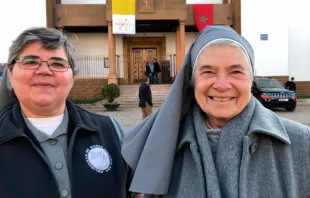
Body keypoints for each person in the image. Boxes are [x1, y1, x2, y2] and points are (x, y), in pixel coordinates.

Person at [121, 26, 310, 197]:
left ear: (251, 79)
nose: (221, 85)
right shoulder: (159, 149)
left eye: (236, 72)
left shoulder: (302, 143)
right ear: (192, 81)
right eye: (208, 72)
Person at [0, 27, 133, 198]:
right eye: (31, 61)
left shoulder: (112, 131)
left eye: (57, 63)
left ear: (72, 78)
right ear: (10, 73)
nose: (44, 70)